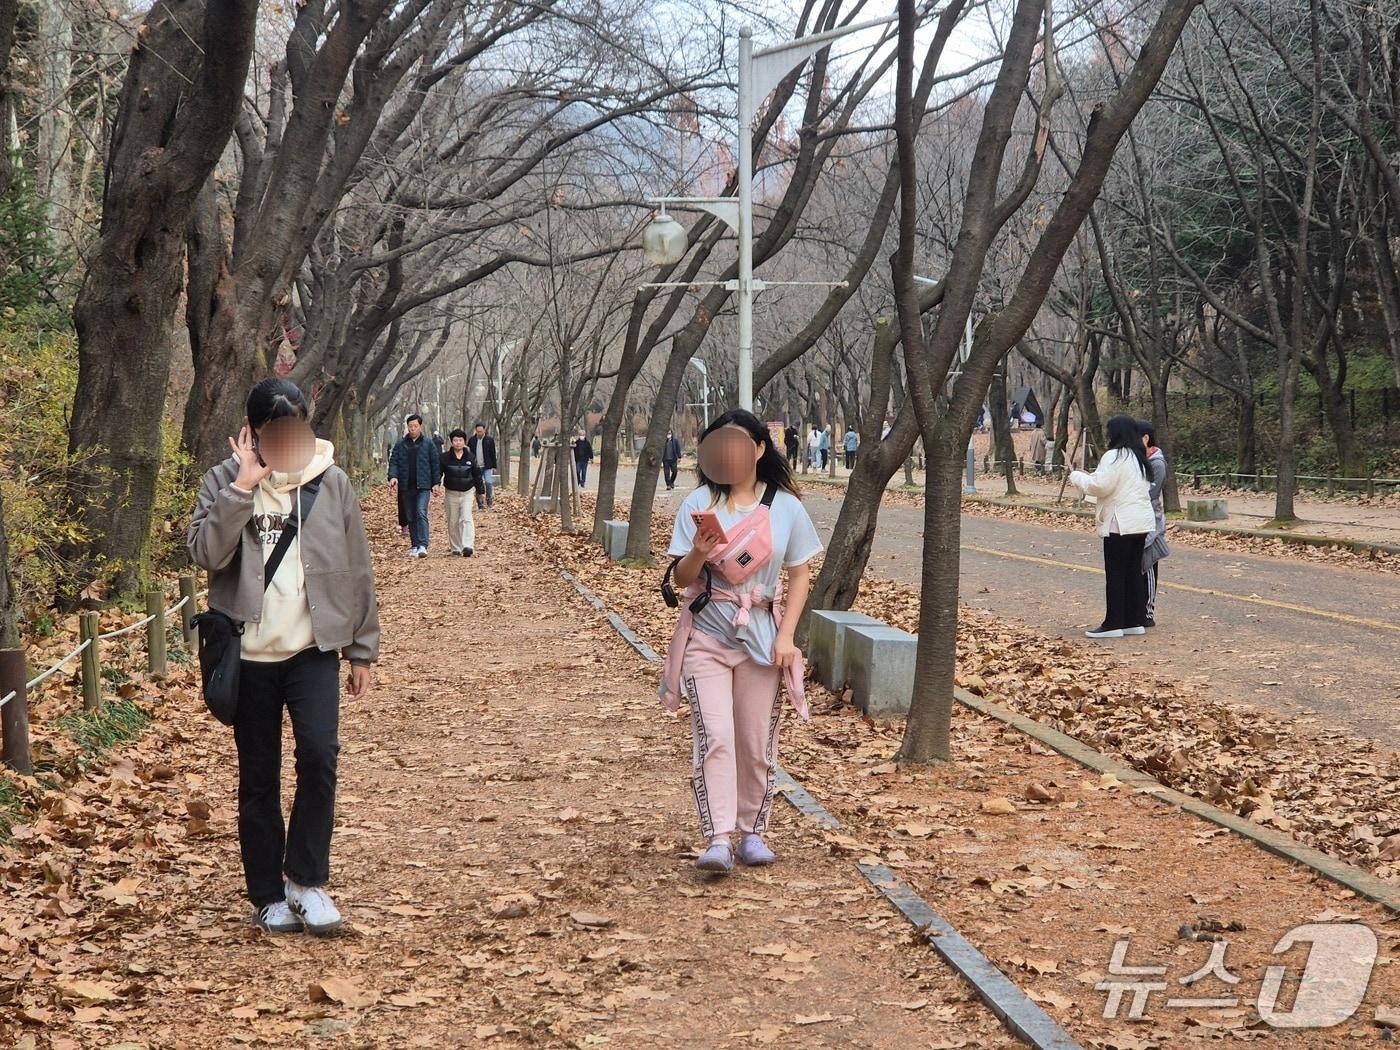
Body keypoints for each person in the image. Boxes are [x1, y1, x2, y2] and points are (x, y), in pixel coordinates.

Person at [188, 378, 379, 935]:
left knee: (320, 759)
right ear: (253, 433)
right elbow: (204, 552)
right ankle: (268, 893)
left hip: (312, 649)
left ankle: (306, 880)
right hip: (248, 657)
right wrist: (243, 487)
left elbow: (357, 567)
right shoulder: (222, 481)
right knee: (259, 777)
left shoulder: (332, 483)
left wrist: (361, 649)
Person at [661, 410, 822, 874]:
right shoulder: (698, 503)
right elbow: (683, 579)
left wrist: (787, 636)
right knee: (715, 736)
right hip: (707, 637)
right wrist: (700, 551)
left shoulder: (786, 507)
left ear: (758, 449)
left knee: (754, 741)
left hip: (762, 639)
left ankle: (753, 832)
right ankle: (717, 838)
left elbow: (799, 574)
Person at [1069, 415, 1155, 640]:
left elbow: (1101, 486)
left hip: (1120, 523)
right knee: (1133, 572)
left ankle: (1113, 623)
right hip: (1141, 522)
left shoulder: (1114, 456)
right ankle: (1132, 620)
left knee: (1116, 574)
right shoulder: (1139, 457)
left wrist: (1077, 477)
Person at [388, 414, 441, 558]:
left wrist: (436, 483)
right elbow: (394, 462)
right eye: (410, 426)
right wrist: (393, 477)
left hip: (423, 486)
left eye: (415, 426)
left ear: (420, 426)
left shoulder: (428, 444)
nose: (412, 429)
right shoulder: (400, 445)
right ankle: (415, 544)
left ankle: (423, 545)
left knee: (420, 512)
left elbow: (435, 464)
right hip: (406, 486)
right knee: (410, 516)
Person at [1138, 420, 1171, 627]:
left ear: (1146, 438)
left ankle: (1148, 611)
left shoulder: (1157, 462)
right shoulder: (1139, 459)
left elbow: (1152, 491)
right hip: (1138, 515)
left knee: (1149, 561)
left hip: (1151, 516)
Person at [440, 429, 485, 557]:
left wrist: (481, 491)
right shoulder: (445, 458)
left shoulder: (470, 457)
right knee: (453, 521)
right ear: (451, 442)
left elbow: (477, 475)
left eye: (460, 440)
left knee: (466, 518)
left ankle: (467, 546)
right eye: (455, 440)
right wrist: (435, 485)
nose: (458, 443)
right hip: (451, 493)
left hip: (467, 493)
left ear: (464, 441)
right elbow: (438, 472)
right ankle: (455, 547)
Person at [470, 423, 497, 510]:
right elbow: (469, 453)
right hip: (476, 467)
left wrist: (494, 466)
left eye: (481, 431)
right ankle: (480, 504)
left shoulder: (489, 440)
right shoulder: (472, 440)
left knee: (488, 482)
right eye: (478, 431)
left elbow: (493, 454)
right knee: (478, 485)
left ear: (484, 430)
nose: (479, 433)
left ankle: (489, 500)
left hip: (487, 466)